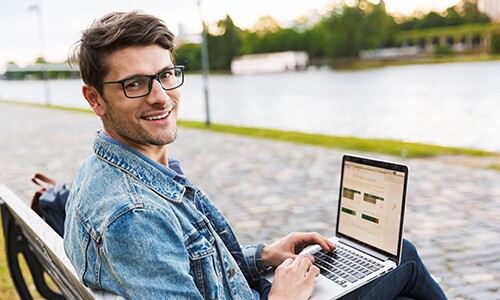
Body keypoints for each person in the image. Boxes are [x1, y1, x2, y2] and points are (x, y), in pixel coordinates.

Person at [64, 11, 447, 300]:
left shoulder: (107, 170)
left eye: (165, 75)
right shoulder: (134, 216)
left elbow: (189, 270)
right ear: (94, 98)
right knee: (405, 258)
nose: (161, 96)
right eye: (135, 84)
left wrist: (263, 256)